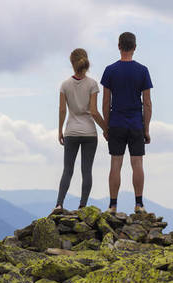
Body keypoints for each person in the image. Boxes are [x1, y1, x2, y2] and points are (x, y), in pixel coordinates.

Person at [100, 32, 153, 214]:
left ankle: (112, 205)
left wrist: (106, 126)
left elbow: (106, 102)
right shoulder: (142, 71)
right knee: (137, 163)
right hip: (136, 123)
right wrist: (146, 128)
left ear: (118, 46)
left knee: (116, 163)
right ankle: (139, 204)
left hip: (116, 122)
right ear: (135, 47)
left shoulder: (110, 70)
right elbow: (147, 102)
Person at [53, 48, 107, 214]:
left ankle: (59, 204)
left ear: (72, 63)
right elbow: (94, 111)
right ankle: (82, 206)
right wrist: (106, 129)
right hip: (89, 133)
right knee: (86, 171)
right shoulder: (92, 84)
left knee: (67, 170)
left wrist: (60, 130)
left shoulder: (65, 85)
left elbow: (62, 110)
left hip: (71, 132)